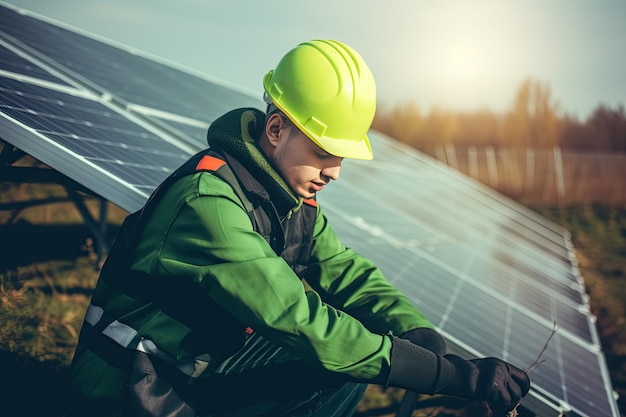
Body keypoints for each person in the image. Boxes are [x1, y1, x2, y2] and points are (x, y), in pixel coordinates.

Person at [68, 39, 530, 417]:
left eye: (342, 159)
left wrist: (416, 332)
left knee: (346, 361)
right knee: (335, 353)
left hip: (195, 367)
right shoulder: (206, 203)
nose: (334, 173)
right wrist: (449, 376)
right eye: (325, 153)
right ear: (275, 129)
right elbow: (299, 319)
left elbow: (344, 270)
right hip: (131, 388)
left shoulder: (291, 201)